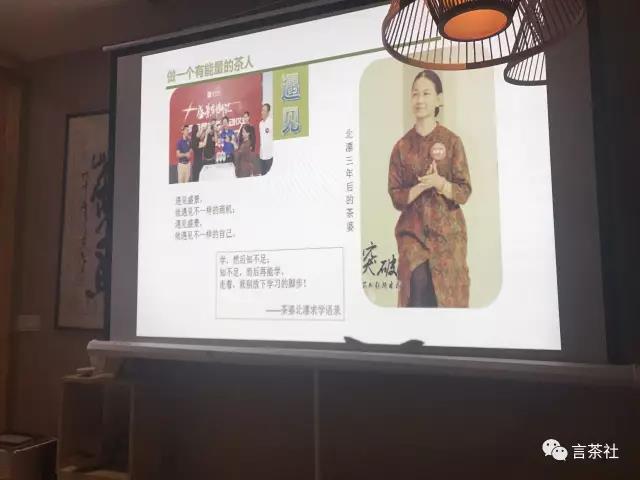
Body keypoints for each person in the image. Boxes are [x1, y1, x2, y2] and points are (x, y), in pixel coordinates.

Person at [388, 70, 472, 308]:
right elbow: (396, 195)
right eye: (415, 94)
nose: (419, 100)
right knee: (417, 289)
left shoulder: (452, 141)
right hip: (413, 235)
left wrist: (440, 183)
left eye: (426, 93)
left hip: (448, 237)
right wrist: (420, 187)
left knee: (446, 301)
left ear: (439, 99)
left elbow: (464, 191)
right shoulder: (401, 146)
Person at [259, 103, 273, 175]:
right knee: (263, 176)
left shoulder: (271, 122)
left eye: (264, 110)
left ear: (268, 112)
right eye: (262, 110)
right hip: (262, 155)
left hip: (269, 155)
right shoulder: (260, 124)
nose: (262, 112)